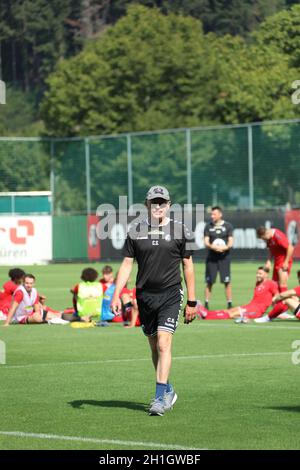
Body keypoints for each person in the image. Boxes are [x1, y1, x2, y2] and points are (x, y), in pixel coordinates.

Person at [111, 185, 197, 416]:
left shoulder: (181, 230)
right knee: (153, 346)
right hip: (145, 295)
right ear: (147, 205)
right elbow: (127, 264)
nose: (158, 206)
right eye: (154, 202)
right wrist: (116, 294)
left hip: (170, 293)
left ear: (169, 204)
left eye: (162, 202)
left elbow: (187, 265)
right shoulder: (135, 230)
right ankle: (167, 388)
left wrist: (192, 301)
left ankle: (159, 399)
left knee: (163, 343)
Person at [197, 266, 278, 322]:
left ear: (266, 275)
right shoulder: (258, 283)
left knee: (231, 314)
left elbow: (277, 296)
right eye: (257, 273)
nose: (257, 275)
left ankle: (206, 316)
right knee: (228, 311)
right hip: (249, 306)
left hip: (256, 311)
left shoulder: (271, 284)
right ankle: (206, 313)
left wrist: (276, 312)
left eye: (260, 274)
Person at [3, 274, 68, 326]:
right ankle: (49, 320)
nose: (29, 285)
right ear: (23, 283)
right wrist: (7, 323)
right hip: (19, 317)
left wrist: (40, 311)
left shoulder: (34, 291)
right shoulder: (20, 292)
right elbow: (13, 308)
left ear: (34, 283)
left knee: (55, 315)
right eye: (27, 283)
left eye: (31, 283)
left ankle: (52, 319)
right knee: (37, 318)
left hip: (30, 313)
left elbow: (36, 307)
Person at [204, 206, 234, 309]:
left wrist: (224, 248)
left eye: (214, 214)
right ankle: (206, 303)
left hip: (224, 258)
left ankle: (229, 303)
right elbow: (206, 241)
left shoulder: (228, 226)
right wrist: (214, 247)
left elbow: (230, 241)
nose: (212, 216)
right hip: (212, 258)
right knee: (209, 281)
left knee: (227, 281)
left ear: (220, 214)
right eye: (211, 214)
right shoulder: (208, 226)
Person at [256, 226, 294, 292]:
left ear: (266, 233)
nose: (264, 240)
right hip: (277, 261)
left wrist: (286, 262)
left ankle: (288, 301)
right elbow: (271, 249)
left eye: (263, 238)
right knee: (275, 285)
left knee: (282, 285)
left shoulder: (278, 236)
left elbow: (290, 248)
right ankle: (280, 301)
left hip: (283, 261)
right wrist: (269, 261)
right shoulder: (268, 238)